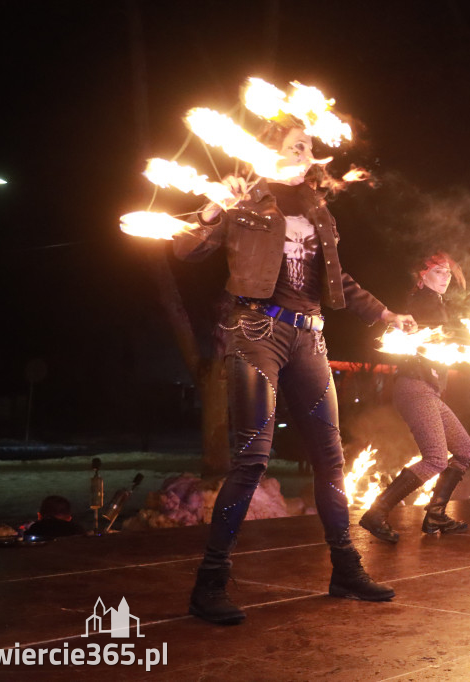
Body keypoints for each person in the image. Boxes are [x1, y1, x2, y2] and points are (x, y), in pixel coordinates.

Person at [173, 120, 416, 625]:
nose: (306, 153)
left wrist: (385, 314)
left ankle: (345, 570)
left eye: (308, 146)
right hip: (257, 332)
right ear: (269, 151)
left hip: (310, 338)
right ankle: (210, 582)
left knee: (331, 459)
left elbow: (338, 280)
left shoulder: (317, 208)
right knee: (253, 460)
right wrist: (213, 207)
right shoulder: (244, 199)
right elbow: (186, 248)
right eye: (295, 145)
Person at [360, 253, 470, 542]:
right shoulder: (422, 302)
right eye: (438, 271)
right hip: (415, 387)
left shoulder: (436, 304)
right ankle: (377, 512)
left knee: (464, 450)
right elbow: (420, 333)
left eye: (448, 272)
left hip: (429, 391)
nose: (446, 276)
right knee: (436, 459)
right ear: (421, 276)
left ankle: (435, 514)